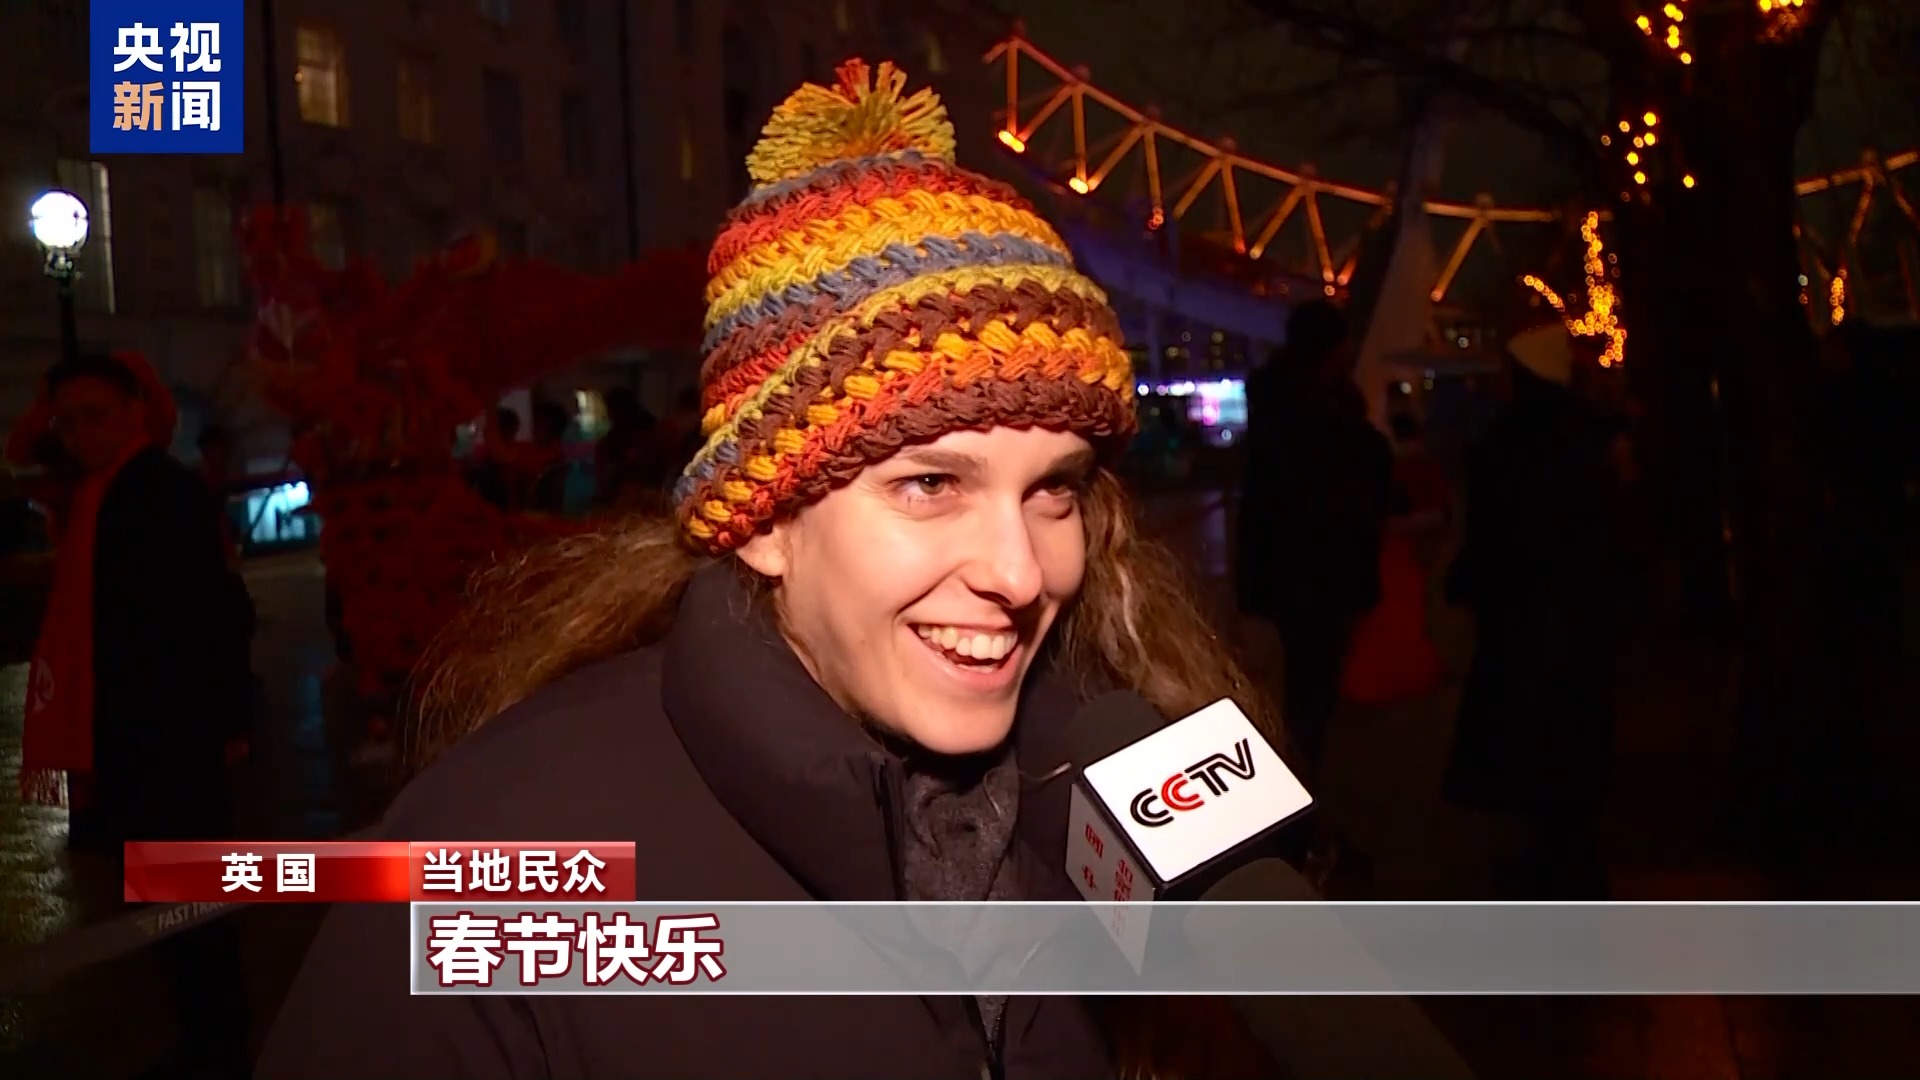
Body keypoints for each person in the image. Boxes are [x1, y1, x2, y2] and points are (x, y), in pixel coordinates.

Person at [261, 59, 1281, 1080]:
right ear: (762, 520)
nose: (1020, 574)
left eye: (1054, 489)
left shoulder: (1120, 772)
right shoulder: (487, 868)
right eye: (930, 484)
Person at [25, 352, 255, 1077]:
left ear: (134, 412)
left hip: (169, 735)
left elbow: (215, 611)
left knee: (189, 906)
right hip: (134, 733)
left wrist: (229, 718)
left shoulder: (158, 490)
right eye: (67, 422)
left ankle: (220, 1049)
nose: (77, 434)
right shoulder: (97, 494)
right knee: (164, 903)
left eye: (93, 415)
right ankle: (207, 1038)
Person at [1443, 315, 1619, 899]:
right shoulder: (1585, 441)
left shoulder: (1504, 446)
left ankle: (1547, 859)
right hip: (1575, 613)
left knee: (1529, 734)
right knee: (1568, 736)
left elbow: (1494, 534)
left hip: (1520, 616)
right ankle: (1571, 853)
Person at [1235, 300, 1394, 786]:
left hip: (1289, 571)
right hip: (1322, 570)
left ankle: (1300, 776)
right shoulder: (1325, 416)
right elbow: (1363, 474)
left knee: (1303, 683)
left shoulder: (1278, 409)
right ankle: (1302, 783)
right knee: (1313, 686)